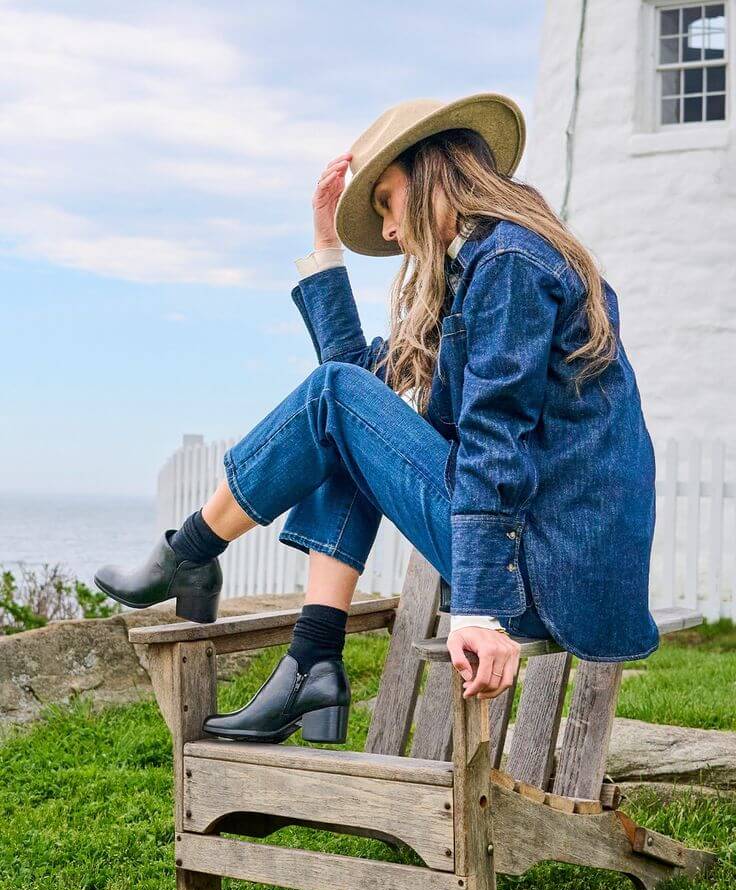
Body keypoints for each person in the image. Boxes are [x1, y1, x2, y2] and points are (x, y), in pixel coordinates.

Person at [94, 92, 659, 746]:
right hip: (544, 566)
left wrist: (480, 611)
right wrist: (324, 247)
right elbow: (356, 389)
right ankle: (312, 661)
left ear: (431, 172)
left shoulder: (510, 263)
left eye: (387, 201)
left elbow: (492, 444)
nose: (389, 231)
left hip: (538, 578)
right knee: (344, 413)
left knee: (338, 399)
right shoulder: (487, 267)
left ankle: (192, 551)